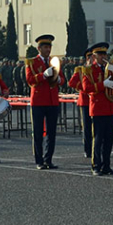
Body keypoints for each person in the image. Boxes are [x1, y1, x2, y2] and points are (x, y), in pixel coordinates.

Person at [81, 42, 113, 176]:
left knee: (109, 139)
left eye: (104, 54)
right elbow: (86, 88)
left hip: (111, 107)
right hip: (98, 108)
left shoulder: (111, 69)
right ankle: (96, 165)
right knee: (98, 139)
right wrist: (103, 84)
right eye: (100, 54)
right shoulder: (88, 70)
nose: (103, 56)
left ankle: (106, 165)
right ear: (94, 56)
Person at [25, 34, 67, 170]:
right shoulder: (31, 62)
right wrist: (43, 75)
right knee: (38, 132)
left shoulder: (54, 61)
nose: (48, 49)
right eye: (45, 47)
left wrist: (59, 80)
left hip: (52, 100)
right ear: (39, 48)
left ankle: (48, 159)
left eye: (49, 47)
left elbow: (62, 78)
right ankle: (39, 160)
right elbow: (30, 80)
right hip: (38, 101)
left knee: (51, 132)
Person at [67, 48, 94, 159]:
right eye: (93, 57)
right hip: (85, 102)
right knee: (87, 127)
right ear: (88, 58)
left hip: (96, 102)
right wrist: (83, 88)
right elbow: (71, 83)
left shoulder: (98, 69)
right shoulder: (81, 70)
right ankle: (88, 150)